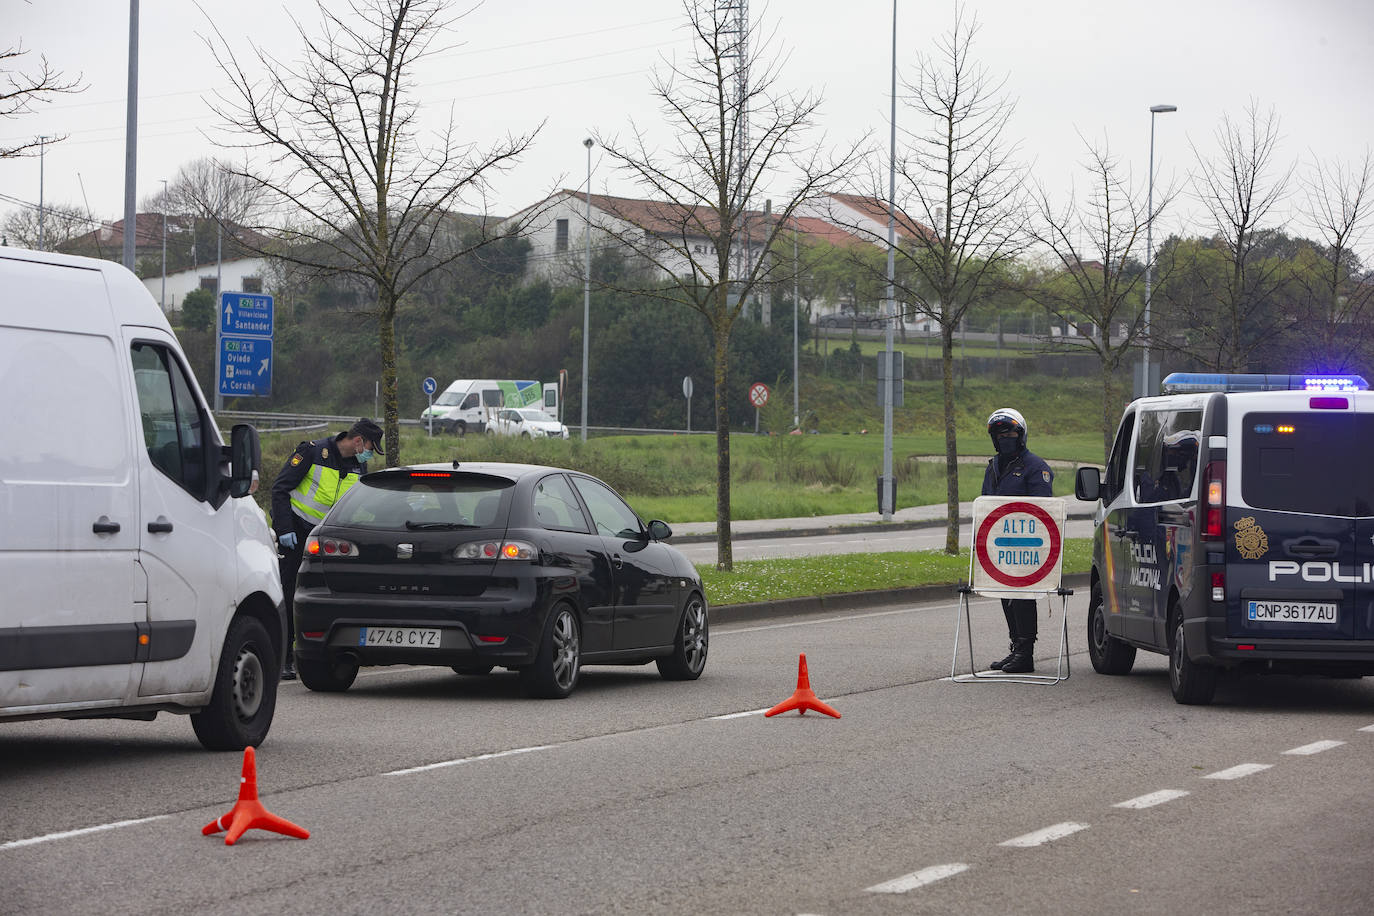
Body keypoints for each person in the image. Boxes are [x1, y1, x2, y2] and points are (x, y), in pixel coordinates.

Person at [271, 418, 383, 679]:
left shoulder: (359, 466)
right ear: (357, 441)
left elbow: (361, 503)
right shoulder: (311, 452)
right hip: (296, 534)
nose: (370, 453)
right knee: (289, 594)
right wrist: (285, 529)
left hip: (327, 540)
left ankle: (316, 654)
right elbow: (280, 490)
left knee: (324, 596)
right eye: (369, 447)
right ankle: (282, 658)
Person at [981, 407, 1054, 674]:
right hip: (1000, 546)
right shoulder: (993, 467)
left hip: (1027, 547)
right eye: (999, 434)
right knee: (1005, 595)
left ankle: (1026, 653)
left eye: (1010, 432)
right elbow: (986, 504)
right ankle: (1016, 648)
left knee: (1021, 595)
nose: (1005, 437)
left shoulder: (1036, 468)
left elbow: (1043, 510)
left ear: (1021, 434)